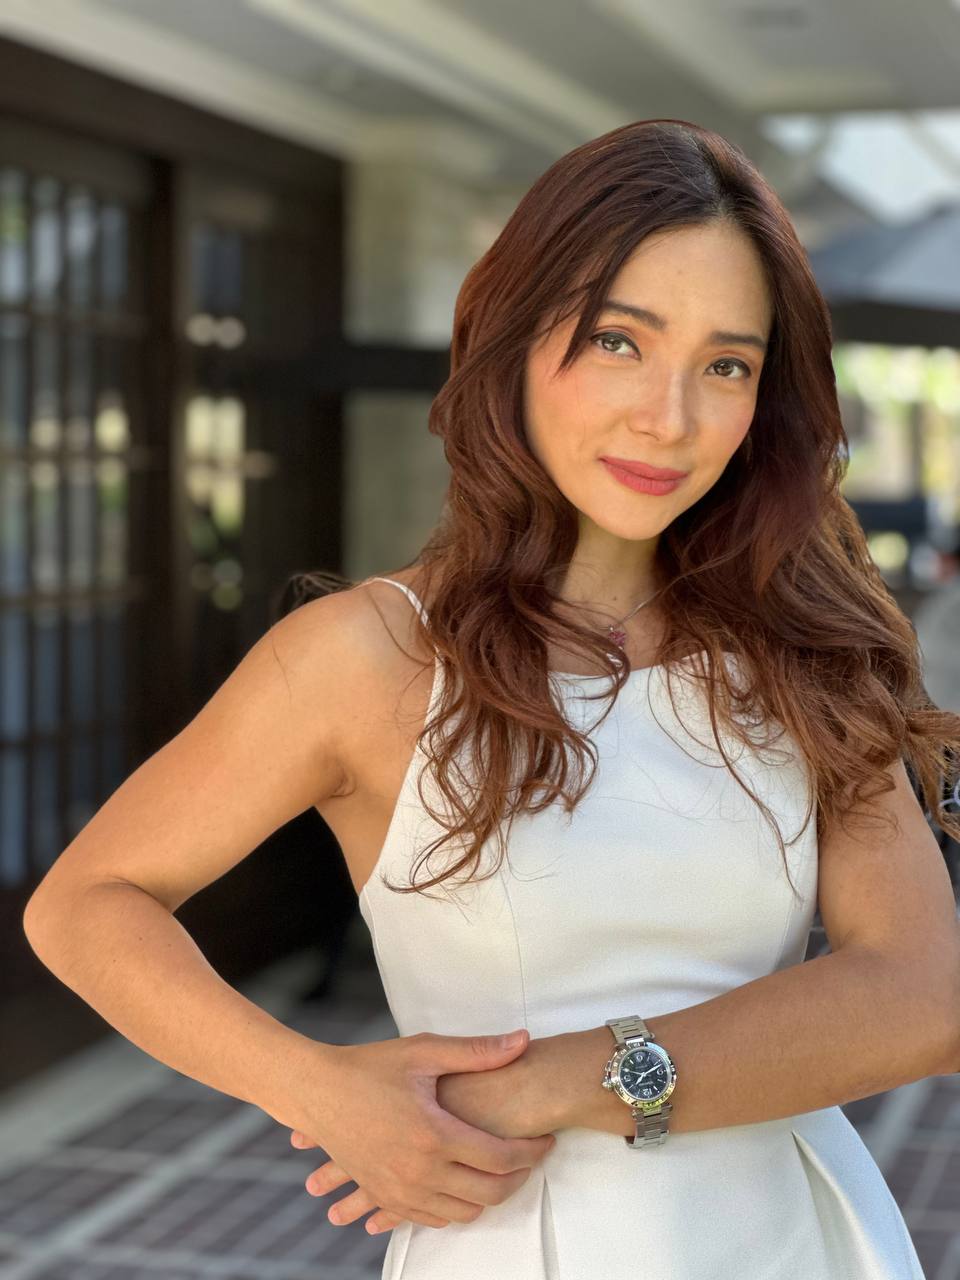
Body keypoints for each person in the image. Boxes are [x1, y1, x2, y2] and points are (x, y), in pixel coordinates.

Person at [23, 119, 960, 1279]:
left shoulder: (799, 647)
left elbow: (926, 991)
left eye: (726, 364)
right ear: (512, 338)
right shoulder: (368, 655)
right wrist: (315, 1086)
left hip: (799, 1235)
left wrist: (540, 1086)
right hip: (521, 1241)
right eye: (618, 340)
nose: (668, 417)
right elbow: (87, 902)